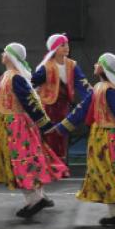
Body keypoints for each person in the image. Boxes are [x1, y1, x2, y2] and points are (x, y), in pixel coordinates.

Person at [0, 43, 68, 218]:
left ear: (11, 56)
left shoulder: (16, 78)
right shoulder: (7, 76)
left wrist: (47, 126)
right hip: (11, 125)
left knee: (19, 162)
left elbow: (31, 102)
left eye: (5, 52)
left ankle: (34, 200)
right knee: (28, 159)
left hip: (16, 127)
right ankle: (39, 196)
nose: (2, 54)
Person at [52, 53, 115, 225]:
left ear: (103, 67)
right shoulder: (105, 88)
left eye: (98, 63)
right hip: (110, 136)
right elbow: (85, 109)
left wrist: (62, 128)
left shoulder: (106, 89)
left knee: (106, 172)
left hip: (105, 138)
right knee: (113, 171)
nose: (95, 64)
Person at [31, 33, 91, 163]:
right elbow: (33, 83)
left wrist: (93, 96)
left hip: (64, 106)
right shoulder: (46, 66)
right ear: (54, 48)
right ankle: (47, 163)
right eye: (62, 45)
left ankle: (60, 163)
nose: (66, 47)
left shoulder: (72, 65)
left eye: (67, 44)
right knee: (48, 134)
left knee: (62, 134)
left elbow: (82, 83)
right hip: (48, 106)